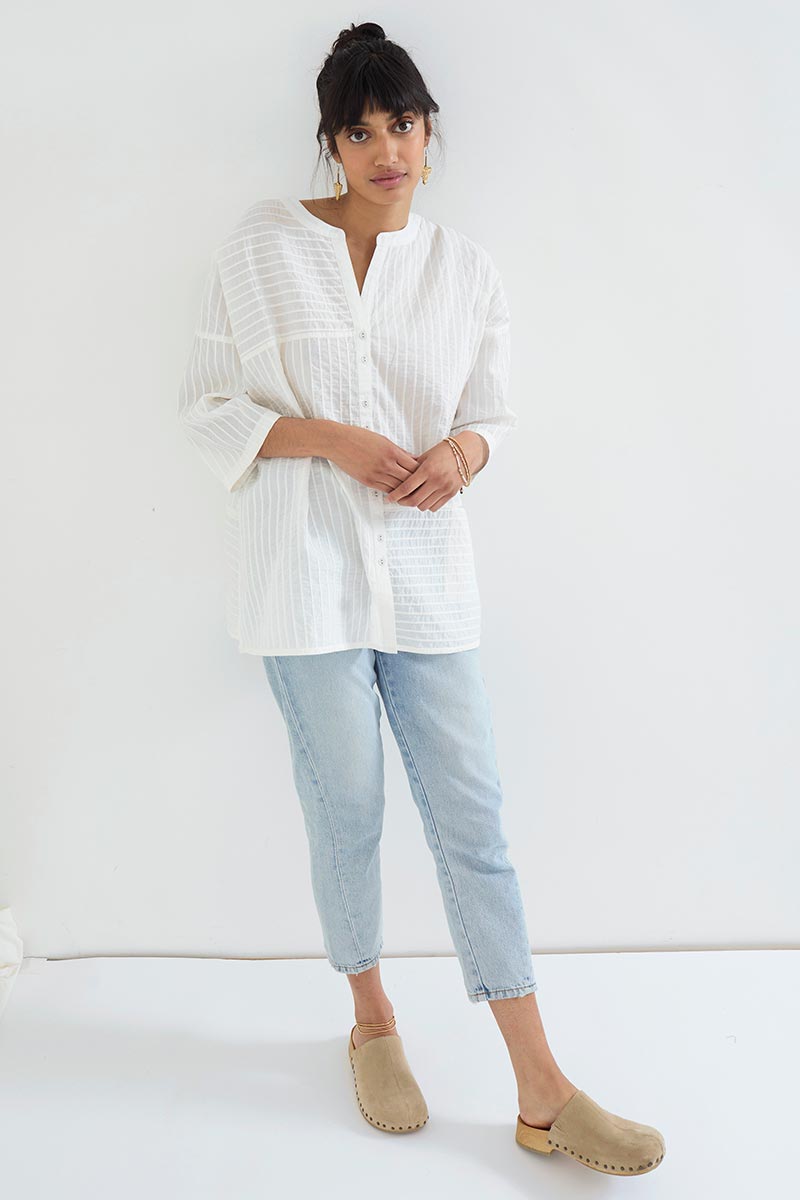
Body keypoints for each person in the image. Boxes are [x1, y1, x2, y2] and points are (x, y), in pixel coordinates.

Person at [178, 20, 665, 1176]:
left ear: (429, 132)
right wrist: (329, 439)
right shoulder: (260, 246)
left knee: (472, 825)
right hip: (302, 582)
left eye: (402, 123)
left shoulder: (464, 270)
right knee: (345, 812)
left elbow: (490, 412)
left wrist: (461, 454)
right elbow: (205, 405)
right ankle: (371, 1022)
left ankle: (540, 1088)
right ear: (331, 145)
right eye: (360, 131)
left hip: (426, 583)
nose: (386, 149)